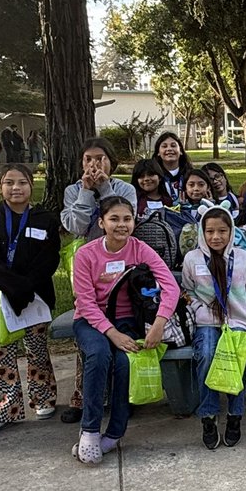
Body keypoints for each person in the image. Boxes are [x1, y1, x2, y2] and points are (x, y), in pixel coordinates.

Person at [71, 196, 179, 464]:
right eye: (114, 219)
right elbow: (85, 302)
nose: (122, 225)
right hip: (91, 320)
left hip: (127, 320)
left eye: (127, 219)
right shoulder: (86, 254)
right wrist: (111, 334)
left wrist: (159, 323)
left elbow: (171, 287)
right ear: (101, 222)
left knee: (123, 363)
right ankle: (90, 431)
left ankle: (115, 433)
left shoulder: (140, 249)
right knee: (99, 355)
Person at [0, 163, 60, 438]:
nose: (16, 188)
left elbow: (50, 258)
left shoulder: (44, 218)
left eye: (22, 182)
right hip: (0, 298)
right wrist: (13, 288)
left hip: (35, 297)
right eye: (9, 182)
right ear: (0, 186)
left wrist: (26, 287)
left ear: (31, 186)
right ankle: (3, 410)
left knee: (37, 350)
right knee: (3, 353)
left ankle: (44, 399)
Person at [60, 137, 137, 423]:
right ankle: (83, 396)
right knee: (90, 330)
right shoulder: (72, 190)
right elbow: (74, 226)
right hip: (86, 262)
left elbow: (125, 220)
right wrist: (85, 191)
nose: (94, 165)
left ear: (111, 161)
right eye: (88, 159)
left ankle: (121, 396)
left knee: (119, 328)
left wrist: (104, 188)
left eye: (100, 158)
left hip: (119, 263)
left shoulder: (123, 188)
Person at [181, 205, 246, 450]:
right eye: (210, 231)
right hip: (207, 322)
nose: (216, 237)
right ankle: (209, 416)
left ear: (231, 231)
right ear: (202, 232)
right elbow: (188, 292)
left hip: (238, 321)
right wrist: (201, 311)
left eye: (222, 231)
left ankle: (235, 416)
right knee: (206, 355)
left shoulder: (242, 257)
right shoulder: (193, 259)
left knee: (239, 361)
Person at [152, 131, 192, 204]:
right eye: (164, 146)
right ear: (158, 152)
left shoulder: (190, 174)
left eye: (173, 146)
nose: (169, 149)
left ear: (181, 151)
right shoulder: (153, 176)